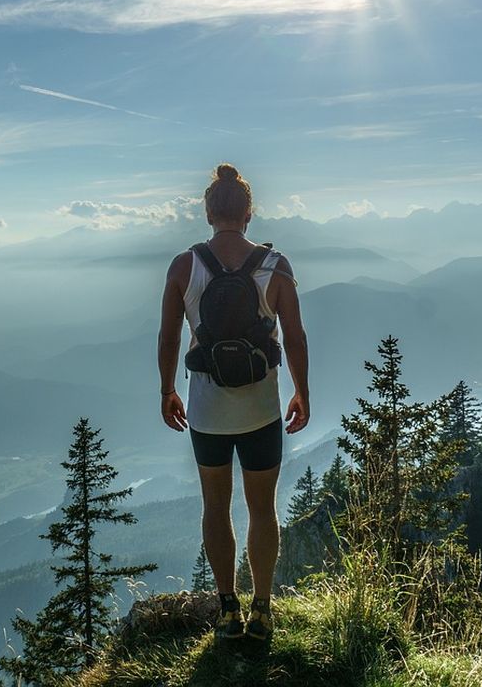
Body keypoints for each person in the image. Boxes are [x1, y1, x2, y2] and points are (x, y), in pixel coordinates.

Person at [157, 163, 310, 641]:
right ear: (249, 212)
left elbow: (168, 335)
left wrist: (167, 390)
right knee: (263, 510)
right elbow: (296, 336)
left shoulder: (185, 266)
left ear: (208, 212)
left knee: (215, 507)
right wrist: (302, 391)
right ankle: (262, 610)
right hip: (262, 410)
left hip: (207, 412)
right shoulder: (275, 266)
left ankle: (227, 611)